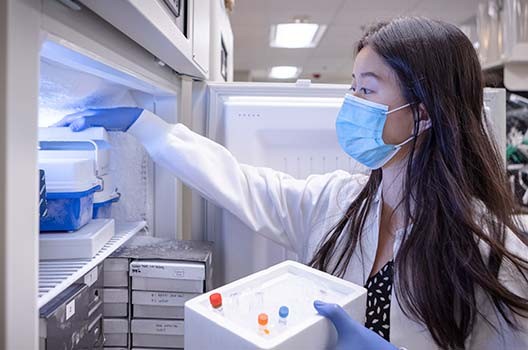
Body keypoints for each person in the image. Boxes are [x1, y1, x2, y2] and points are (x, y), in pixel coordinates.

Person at [56, 17, 528, 350]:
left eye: (367, 88)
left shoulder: (494, 251)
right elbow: (239, 184)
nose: (350, 102)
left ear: (422, 113)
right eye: (352, 86)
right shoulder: (339, 204)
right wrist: (145, 125)